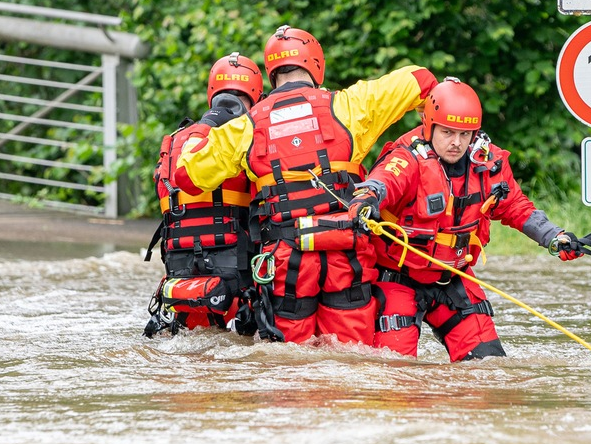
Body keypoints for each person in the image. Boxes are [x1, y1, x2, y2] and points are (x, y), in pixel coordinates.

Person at [171, 25, 437, 345]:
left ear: (271, 73)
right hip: (346, 258)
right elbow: (421, 79)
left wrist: (207, 125)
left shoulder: (247, 126)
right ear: (316, 64)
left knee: (290, 371)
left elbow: (186, 176)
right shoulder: (351, 106)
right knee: (349, 358)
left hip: (287, 264)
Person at [347, 77, 584, 362]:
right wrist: (368, 197)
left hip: (454, 279)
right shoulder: (408, 158)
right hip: (398, 281)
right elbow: (384, 181)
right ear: (429, 125)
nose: (456, 143)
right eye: (447, 132)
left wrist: (553, 236)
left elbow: (517, 207)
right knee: (396, 371)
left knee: (489, 367)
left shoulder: (488, 164)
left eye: (465, 134)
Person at [144, 53, 265, 337]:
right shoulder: (250, 135)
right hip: (239, 284)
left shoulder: (174, 143)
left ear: (212, 92)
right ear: (256, 94)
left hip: (182, 284)